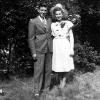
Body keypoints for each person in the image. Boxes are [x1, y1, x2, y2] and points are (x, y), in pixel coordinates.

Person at [28, 2, 52, 97]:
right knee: (38, 71)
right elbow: (30, 38)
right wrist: (33, 52)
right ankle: (36, 90)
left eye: (45, 10)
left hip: (49, 49)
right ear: (38, 10)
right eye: (42, 10)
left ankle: (46, 89)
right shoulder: (33, 21)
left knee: (48, 71)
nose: (43, 12)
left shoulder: (49, 20)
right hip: (39, 49)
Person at [50, 4, 74, 88]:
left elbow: (71, 37)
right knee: (59, 65)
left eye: (59, 14)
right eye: (56, 14)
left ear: (62, 14)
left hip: (65, 45)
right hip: (56, 45)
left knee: (66, 64)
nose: (58, 15)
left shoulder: (68, 23)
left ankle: (63, 81)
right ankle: (60, 80)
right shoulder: (52, 25)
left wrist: (71, 49)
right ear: (54, 15)